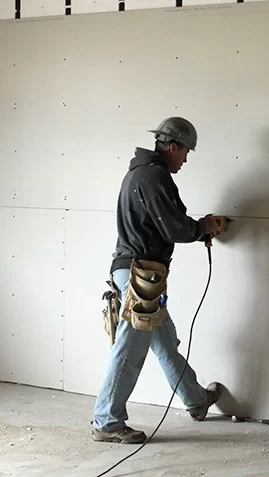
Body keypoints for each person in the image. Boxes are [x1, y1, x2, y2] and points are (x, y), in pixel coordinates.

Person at [91, 116, 227, 444]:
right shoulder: (155, 177)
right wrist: (204, 227)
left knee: (164, 339)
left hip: (137, 272)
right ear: (172, 146)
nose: (185, 159)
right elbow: (175, 228)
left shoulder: (139, 173)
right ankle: (107, 421)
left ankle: (196, 400)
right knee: (130, 345)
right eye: (185, 152)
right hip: (140, 274)